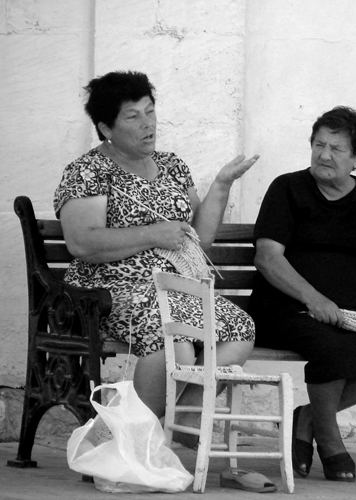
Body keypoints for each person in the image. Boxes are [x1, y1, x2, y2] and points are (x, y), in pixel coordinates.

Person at [53, 71, 258, 441]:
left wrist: (222, 185)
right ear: (106, 127)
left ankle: (183, 419)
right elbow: (82, 243)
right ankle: (132, 442)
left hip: (173, 289)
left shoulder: (173, 166)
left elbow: (199, 239)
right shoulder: (89, 171)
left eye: (150, 112)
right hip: (106, 291)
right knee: (173, 341)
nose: (148, 124)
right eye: (133, 116)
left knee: (240, 330)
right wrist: (153, 235)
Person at [249, 106, 356, 482]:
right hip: (288, 310)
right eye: (319, 144)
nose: (324, 155)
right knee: (331, 346)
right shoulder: (287, 189)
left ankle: (306, 418)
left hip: (354, 315)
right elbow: (268, 259)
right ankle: (331, 441)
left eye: (336, 148)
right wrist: (313, 299)